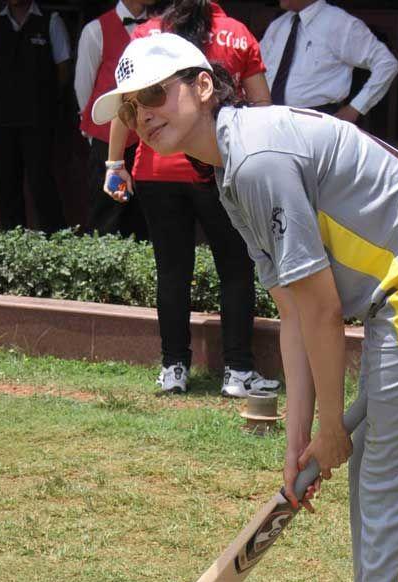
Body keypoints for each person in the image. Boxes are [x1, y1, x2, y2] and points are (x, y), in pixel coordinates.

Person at [92, 34, 398, 582]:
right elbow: (291, 309)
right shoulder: (235, 170)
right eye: (130, 108)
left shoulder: (255, 159)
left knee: (397, 498)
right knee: (380, 491)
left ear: (204, 85)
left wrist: (330, 430)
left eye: (155, 93)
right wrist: (301, 440)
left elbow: (320, 313)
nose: (142, 114)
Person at [103, 1, 279, 397]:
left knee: (171, 270)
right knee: (235, 267)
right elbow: (263, 106)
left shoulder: (147, 33)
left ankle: (174, 368)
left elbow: (125, 105)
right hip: (218, 164)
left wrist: (115, 162)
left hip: (156, 169)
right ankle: (237, 371)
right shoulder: (238, 32)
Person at [0, 0, 70, 233]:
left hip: (39, 120)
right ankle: (14, 244)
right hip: (2, 120)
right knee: (6, 185)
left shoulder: (51, 20)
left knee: (41, 183)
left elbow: (63, 70)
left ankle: (55, 242)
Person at [74, 0, 155, 238]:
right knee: (106, 214)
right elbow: (84, 88)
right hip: (107, 142)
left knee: (143, 216)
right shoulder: (96, 30)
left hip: (148, 140)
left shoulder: (162, 28)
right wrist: (94, 136)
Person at [260, 0, 398, 122]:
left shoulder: (340, 23)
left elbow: (387, 64)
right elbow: (256, 68)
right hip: (271, 118)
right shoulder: (278, 25)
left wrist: (355, 108)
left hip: (317, 122)